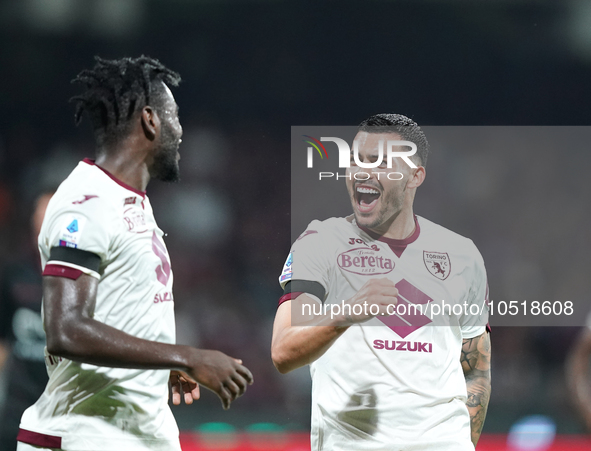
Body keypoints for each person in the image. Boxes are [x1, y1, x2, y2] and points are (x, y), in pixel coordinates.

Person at [17, 56, 253, 451]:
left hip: (132, 434)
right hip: (86, 437)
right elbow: (66, 329)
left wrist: (161, 364)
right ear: (150, 120)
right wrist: (185, 356)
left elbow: (120, 310)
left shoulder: (131, 202)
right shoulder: (86, 202)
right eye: (175, 117)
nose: (181, 131)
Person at [271, 114, 491, 450]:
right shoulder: (319, 243)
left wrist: (463, 442)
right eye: (357, 160)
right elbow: (283, 351)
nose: (363, 172)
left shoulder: (463, 255)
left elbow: (476, 369)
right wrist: (346, 314)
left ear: (414, 176)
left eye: (381, 163)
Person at [0, 191, 53, 451]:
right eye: (40, 212)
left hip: (62, 410)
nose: (44, 220)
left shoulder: (85, 278)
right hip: (17, 409)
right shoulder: (12, 273)